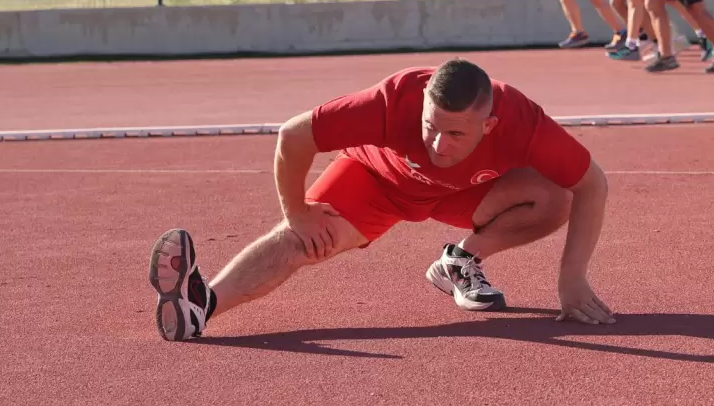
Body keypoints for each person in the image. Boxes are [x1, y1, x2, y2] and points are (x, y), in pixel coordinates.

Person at [147, 58, 616, 341]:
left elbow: (591, 182)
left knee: (555, 196)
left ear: (489, 126)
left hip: (466, 192)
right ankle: (200, 306)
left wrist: (572, 278)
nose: (437, 145)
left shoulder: (523, 122)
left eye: (456, 133)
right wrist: (298, 213)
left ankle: (462, 262)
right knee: (299, 242)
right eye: (430, 127)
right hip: (377, 182)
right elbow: (294, 135)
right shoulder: (392, 100)